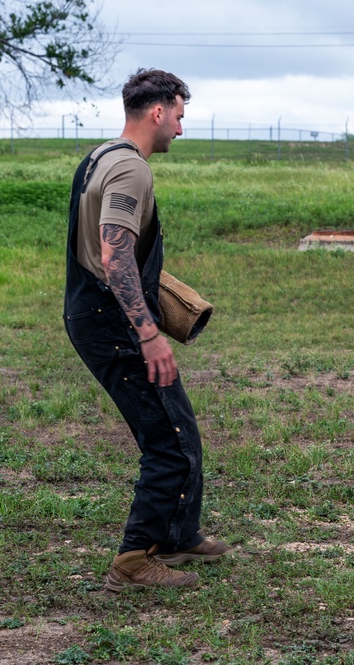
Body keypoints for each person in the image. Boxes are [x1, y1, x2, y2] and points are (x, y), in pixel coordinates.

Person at [63, 69, 230, 590]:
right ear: (158, 111)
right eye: (180, 116)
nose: (181, 128)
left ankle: (177, 536)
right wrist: (148, 333)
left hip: (93, 312)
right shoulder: (132, 170)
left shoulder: (99, 156)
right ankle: (134, 562)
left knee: (179, 425)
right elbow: (114, 257)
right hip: (113, 322)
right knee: (169, 441)